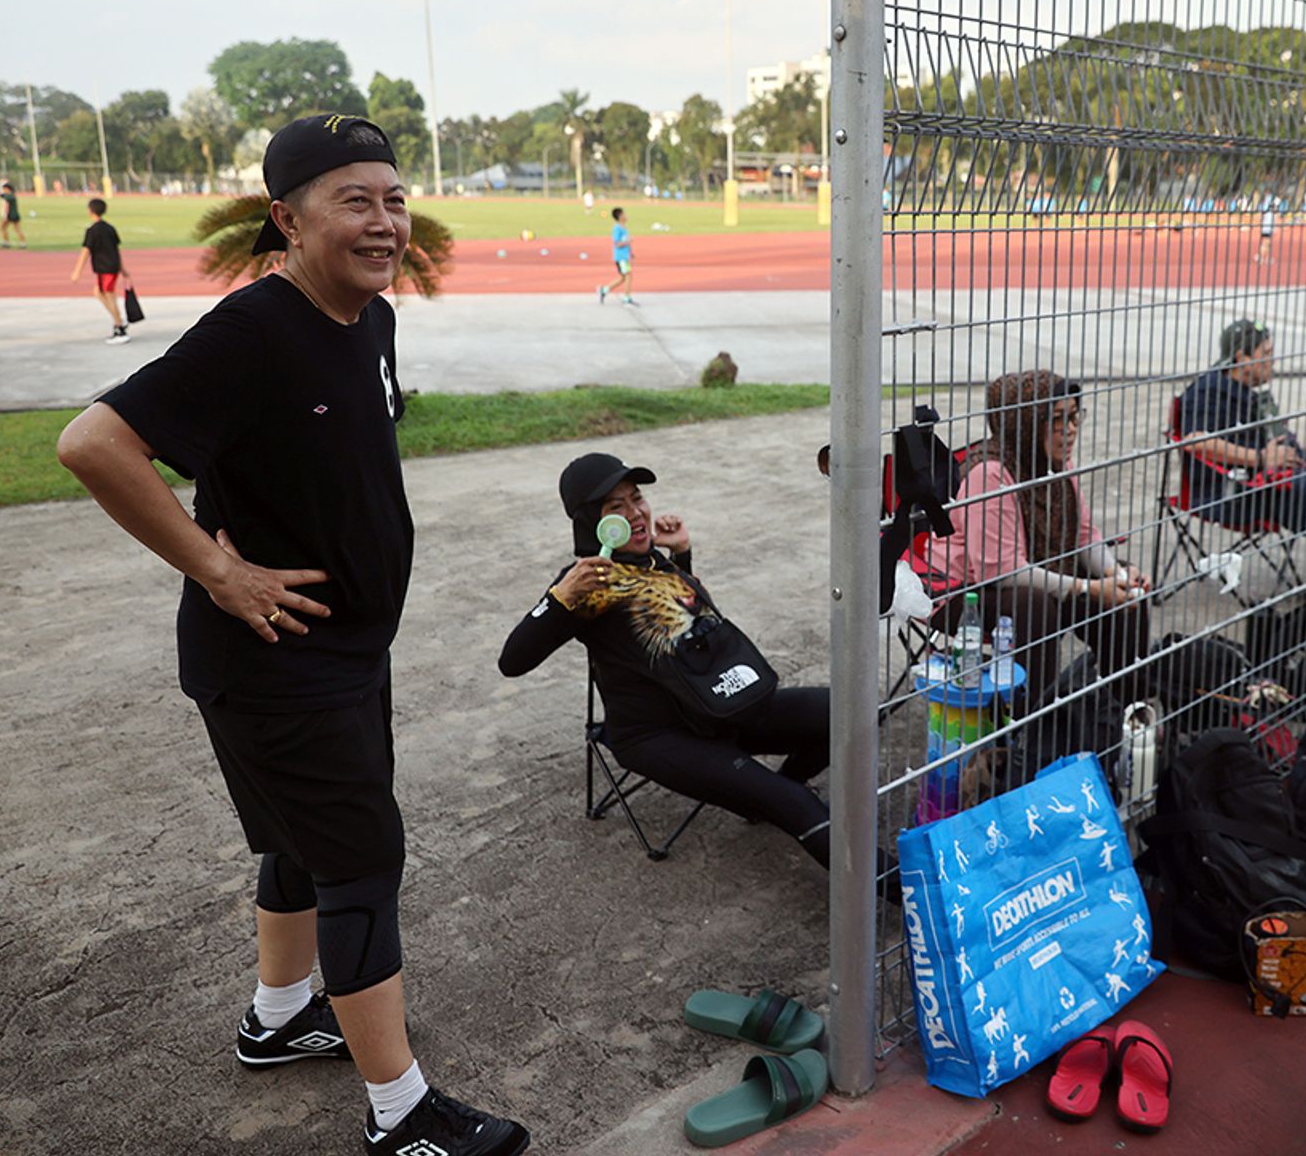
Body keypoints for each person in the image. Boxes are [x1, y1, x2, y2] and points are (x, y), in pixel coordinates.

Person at [55, 114, 529, 1156]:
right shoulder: (254, 330)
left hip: (346, 654)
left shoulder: (371, 320)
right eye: (354, 200)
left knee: (298, 847)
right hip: (279, 664)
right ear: (288, 218)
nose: (384, 221)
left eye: (394, 199)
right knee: (363, 863)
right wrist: (217, 567)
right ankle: (403, 1115)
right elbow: (94, 443)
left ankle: (277, 1017)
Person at [500, 453, 839, 872]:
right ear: (593, 523)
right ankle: (903, 893)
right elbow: (512, 662)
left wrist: (681, 556)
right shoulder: (587, 583)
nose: (636, 512)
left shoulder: (653, 561)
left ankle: (771, 794)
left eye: (637, 497)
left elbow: (694, 627)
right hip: (657, 735)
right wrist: (559, 600)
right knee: (798, 805)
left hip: (713, 706)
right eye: (615, 507)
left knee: (850, 712)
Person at [926, 370, 1152, 703]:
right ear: (1027, 423)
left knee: (1127, 595)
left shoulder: (1057, 466)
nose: (1072, 428)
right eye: (1059, 419)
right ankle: (1031, 730)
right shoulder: (990, 474)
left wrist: (1115, 576)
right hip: (963, 590)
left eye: (1075, 416)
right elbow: (1000, 572)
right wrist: (1088, 588)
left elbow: (1085, 535)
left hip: (1033, 575)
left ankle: (1124, 710)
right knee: (1035, 606)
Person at [1176, 320, 1306, 571]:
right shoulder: (1209, 391)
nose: (1273, 361)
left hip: (1279, 476)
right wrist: (1260, 458)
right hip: (1239, 492)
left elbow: (1278, 450)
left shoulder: (1250, 393)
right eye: (1267, 353)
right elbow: (1195, 440)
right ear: (1242, 357)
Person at [68, 197, 134, 344]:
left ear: (90, 211)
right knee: (99, 292)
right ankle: (118, 320)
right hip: (110, 267)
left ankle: (120, 329)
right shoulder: (110, 228)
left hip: (106, 268)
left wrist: (77, 271)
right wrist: (122, 269)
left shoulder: (92, 231)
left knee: (109, 295)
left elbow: (86, 251)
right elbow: (116, 250)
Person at [597, 206, 635, 305]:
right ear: (620, 216)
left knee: (623, 278)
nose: (626, 216)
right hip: (620, 257)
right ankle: (627, 298)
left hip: (625, 257)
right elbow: (617, 243)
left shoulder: (624, 228)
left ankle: (604, 290)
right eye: (624, 214)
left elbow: (626, 242)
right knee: (628, 276)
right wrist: (628, 241)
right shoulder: (617, 229)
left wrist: (631, 252)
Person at [0, 179, 28, 248]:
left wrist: (5, 215)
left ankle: (6, 242)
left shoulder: (8, 196)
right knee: (18, 229)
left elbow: (6, 206)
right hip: (15, 214)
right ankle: (23, 243)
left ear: (7, 189)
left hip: (9, 215)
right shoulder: (12, 195)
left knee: (3, 228)